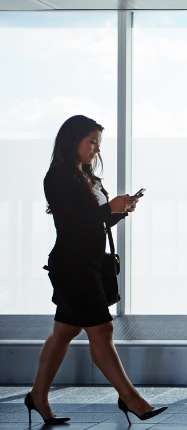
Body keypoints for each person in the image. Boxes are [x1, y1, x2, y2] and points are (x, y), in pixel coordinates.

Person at [24, 115, 166, 425]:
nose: (96, 149)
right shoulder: (58, 177)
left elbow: (97, 222)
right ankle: (131, 399)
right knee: (102, 330)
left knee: (64, 332)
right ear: (71, 141)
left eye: (98, 143)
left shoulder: (89, 177)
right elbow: (74, 224)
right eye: (91, 142)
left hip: (89, 264)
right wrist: (108, 209)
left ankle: (37, 396)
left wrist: (120, 210)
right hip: (73, 267)